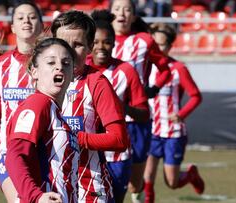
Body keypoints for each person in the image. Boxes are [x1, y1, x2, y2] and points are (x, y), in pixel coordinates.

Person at [51, 10, 129, 203]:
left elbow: (119, 140)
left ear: (89, 47)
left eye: (77, 44)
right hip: (51, 188)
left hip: (90, 188)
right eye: (63, 44)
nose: (69, 51)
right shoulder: (41, 81)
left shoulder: (97, 82)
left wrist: (76, 139)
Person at [109, 0, 171, 202]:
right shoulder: (98, 39)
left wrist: (152, 89)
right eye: (117, 9)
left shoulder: (144, 40)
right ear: (110, 13)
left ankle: (138, 193)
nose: (122, 13)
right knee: (107, 176)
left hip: (137, 119)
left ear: (134, 16)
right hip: (106, 118)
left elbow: (164, 70)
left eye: (127, 10)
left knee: (134, 183)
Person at [0, 1, 43, 202]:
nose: (26, 20)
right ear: (13, 27)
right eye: (20, 17)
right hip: (6, 150)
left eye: (32, 17)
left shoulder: (51, 64)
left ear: (41, 25)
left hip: (42, 149)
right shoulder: (0, 65)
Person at [87, 9, 150, 203]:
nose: (101, 47)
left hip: (117, 157)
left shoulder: (126, 71)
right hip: (87, 154)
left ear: (114, 43)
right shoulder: (79, 68)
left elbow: (144, 114)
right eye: (96, 42)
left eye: (106, 42)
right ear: (89, 44)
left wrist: (123, 108)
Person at [5, 37, 77, 203]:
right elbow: (15, 155)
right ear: (34, 72)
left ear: (73, 74)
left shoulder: (55, 112)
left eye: (66, 63)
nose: (59, 66)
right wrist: (36, 197)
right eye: (51, 62)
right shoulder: (38, 103)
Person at [144, 23, 204, 203]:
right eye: (153, 44)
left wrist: (181, 114)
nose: (155, 48)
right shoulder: (145, 68)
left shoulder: (178, 68)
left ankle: (191, 174)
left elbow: (195, 96)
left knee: (172, 182)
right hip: (152, 130)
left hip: (173, 132)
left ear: (169, 46)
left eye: (160, 44)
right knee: (147, 178)